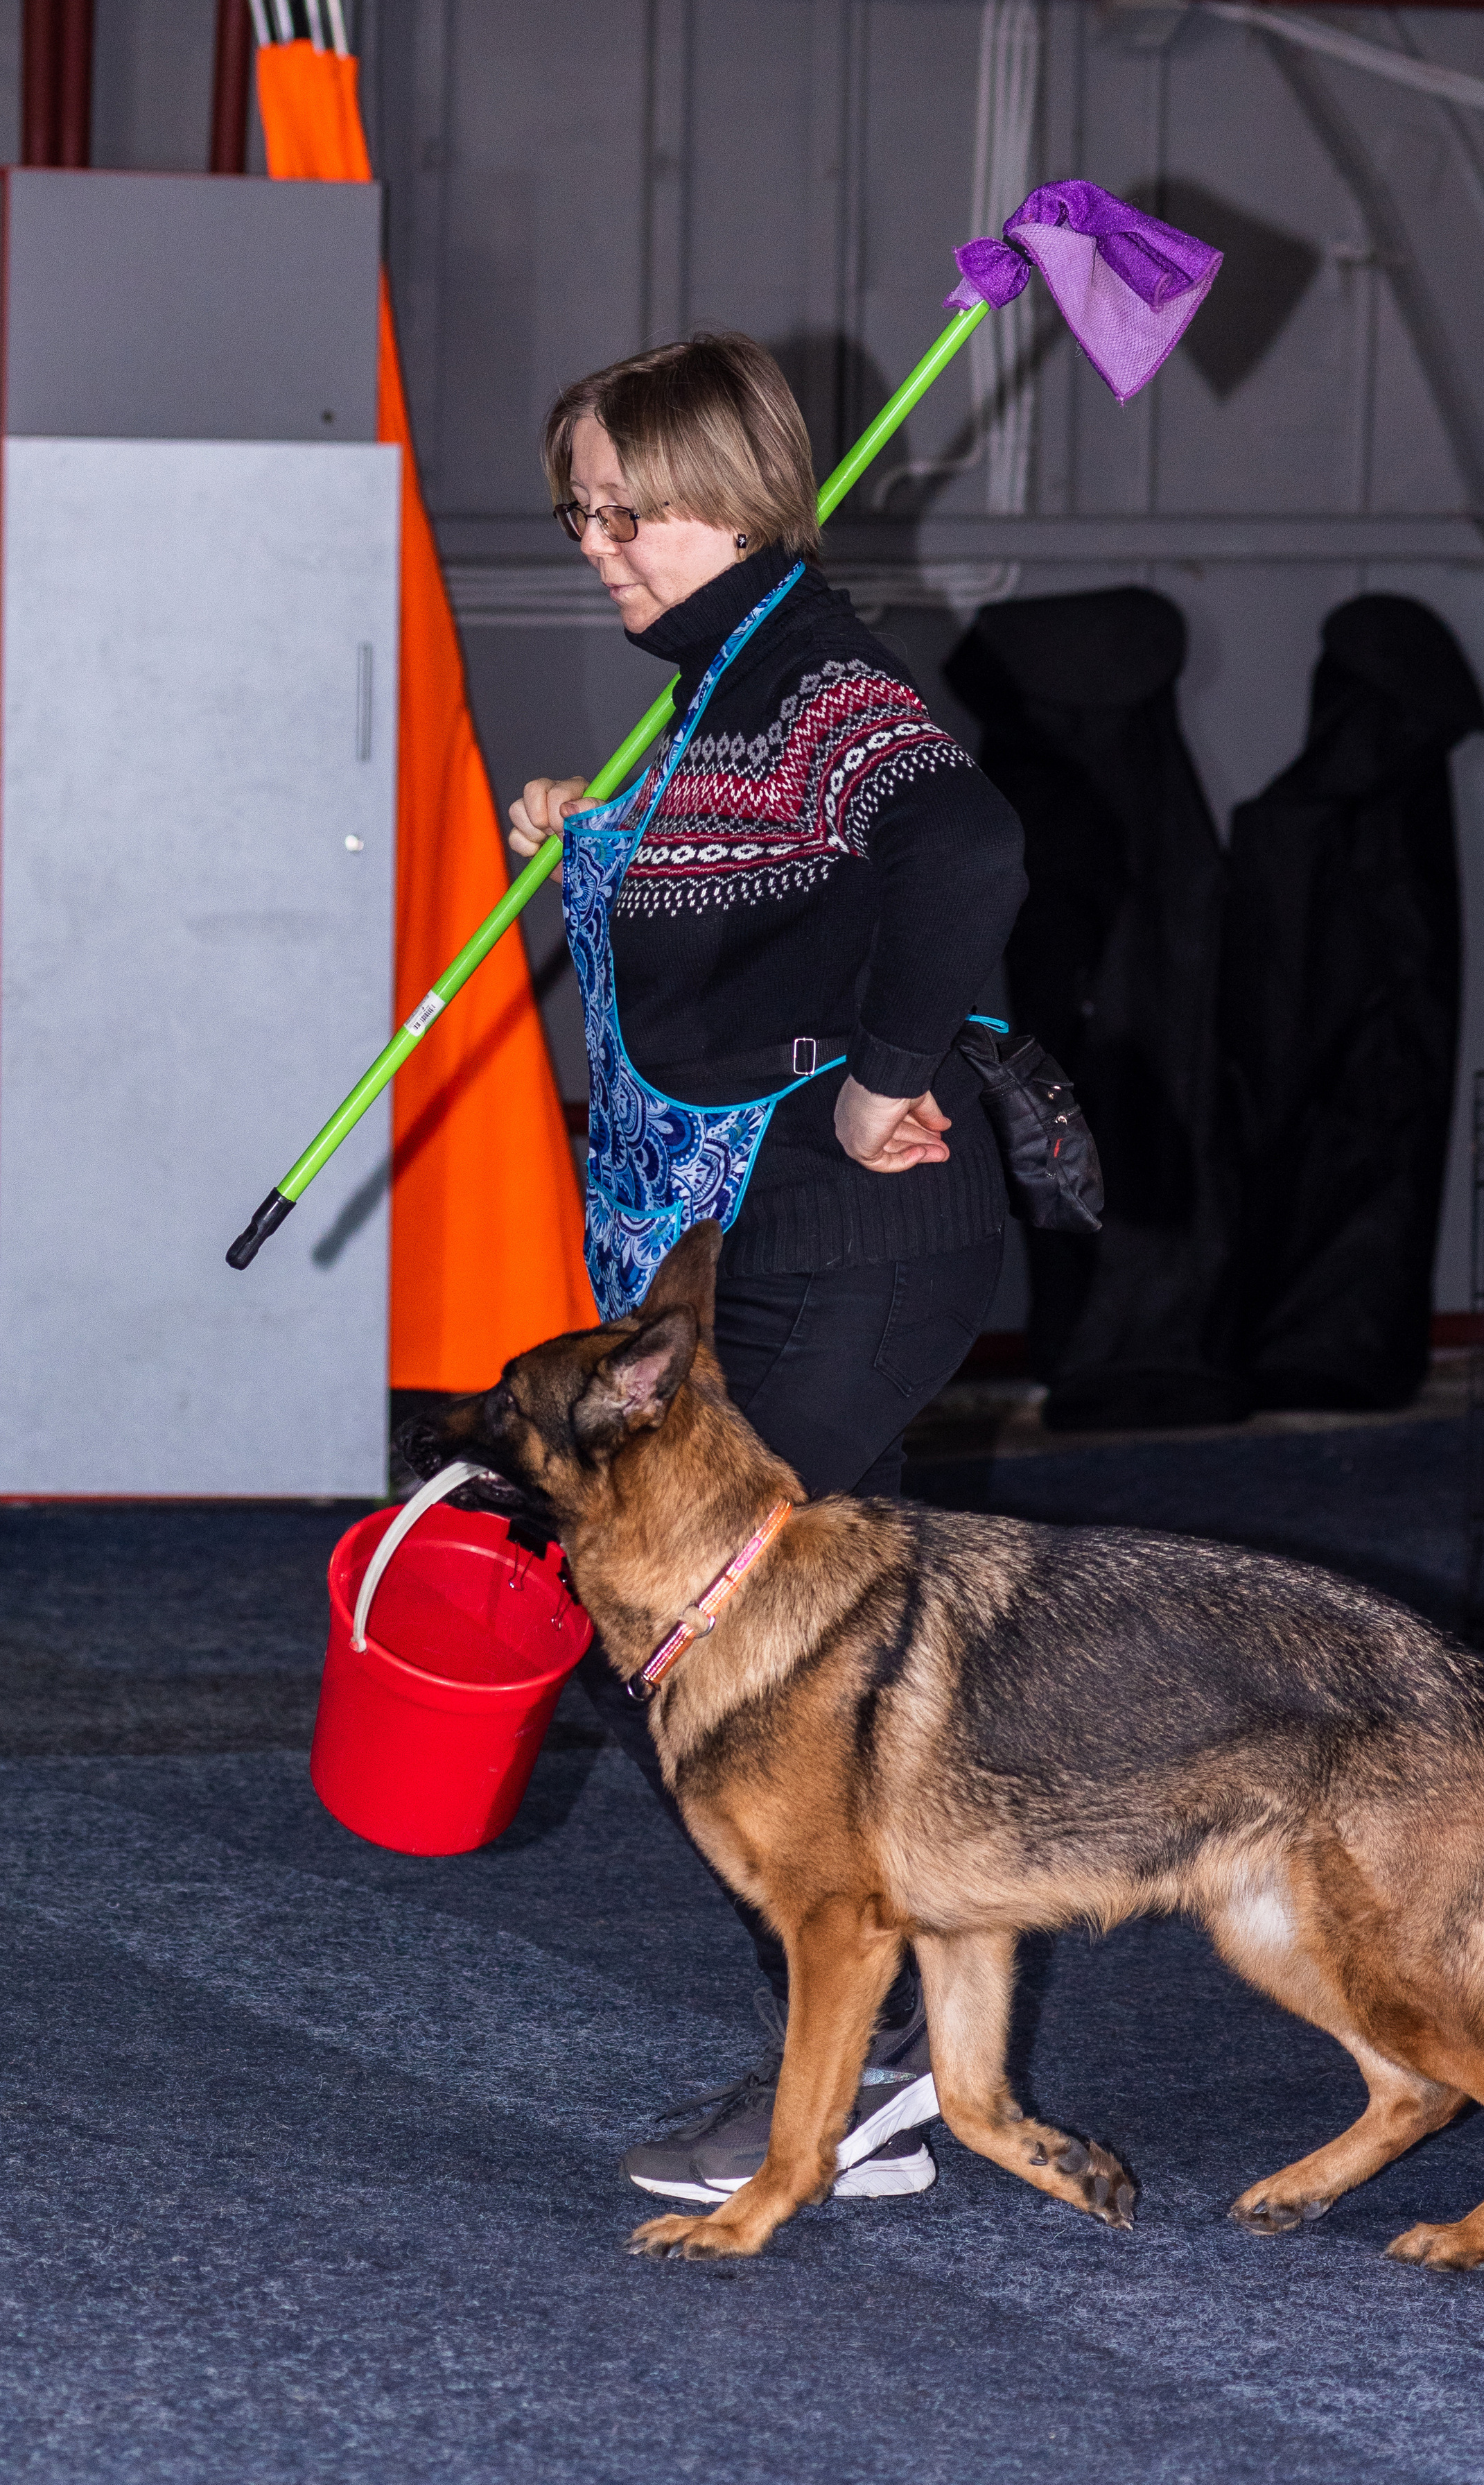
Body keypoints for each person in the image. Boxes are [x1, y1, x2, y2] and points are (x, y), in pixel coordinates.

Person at [506, 332, 1027, 2207]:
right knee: (799, 1669)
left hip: (854, 1234)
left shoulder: (810, 669)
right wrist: (598, 839)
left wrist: (894, 1078)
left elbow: (960, 843)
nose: (597, 545)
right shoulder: (728, 683)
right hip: (787, 1237)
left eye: (629, 509)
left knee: (699, 1644)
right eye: (578, 509)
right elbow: (781, 901)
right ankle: (892, 2045)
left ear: (734, 494)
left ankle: (862, 2059)